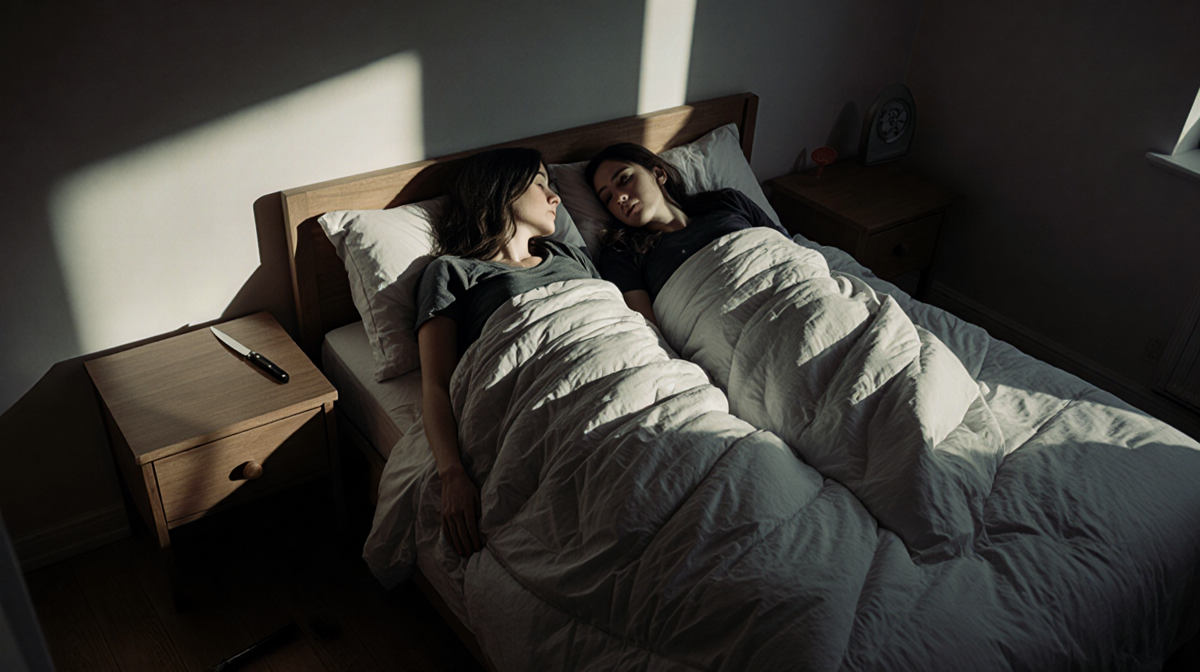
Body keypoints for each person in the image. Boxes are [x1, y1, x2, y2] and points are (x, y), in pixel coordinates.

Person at [415, 147, 601, 556]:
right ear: (502, 193)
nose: (554, 197)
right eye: (540, 184)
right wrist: (451, 475)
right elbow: (436, 384)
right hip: (550, 399)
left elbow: (612, 325)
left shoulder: (571, 256)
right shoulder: (452, 271)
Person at [585, 143, 788, 325]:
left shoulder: (727, 202)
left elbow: (787, 251)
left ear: (658, 173)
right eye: (608, 197)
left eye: (624, 179)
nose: (619, 197)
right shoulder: (622, 253)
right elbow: (648, 328)